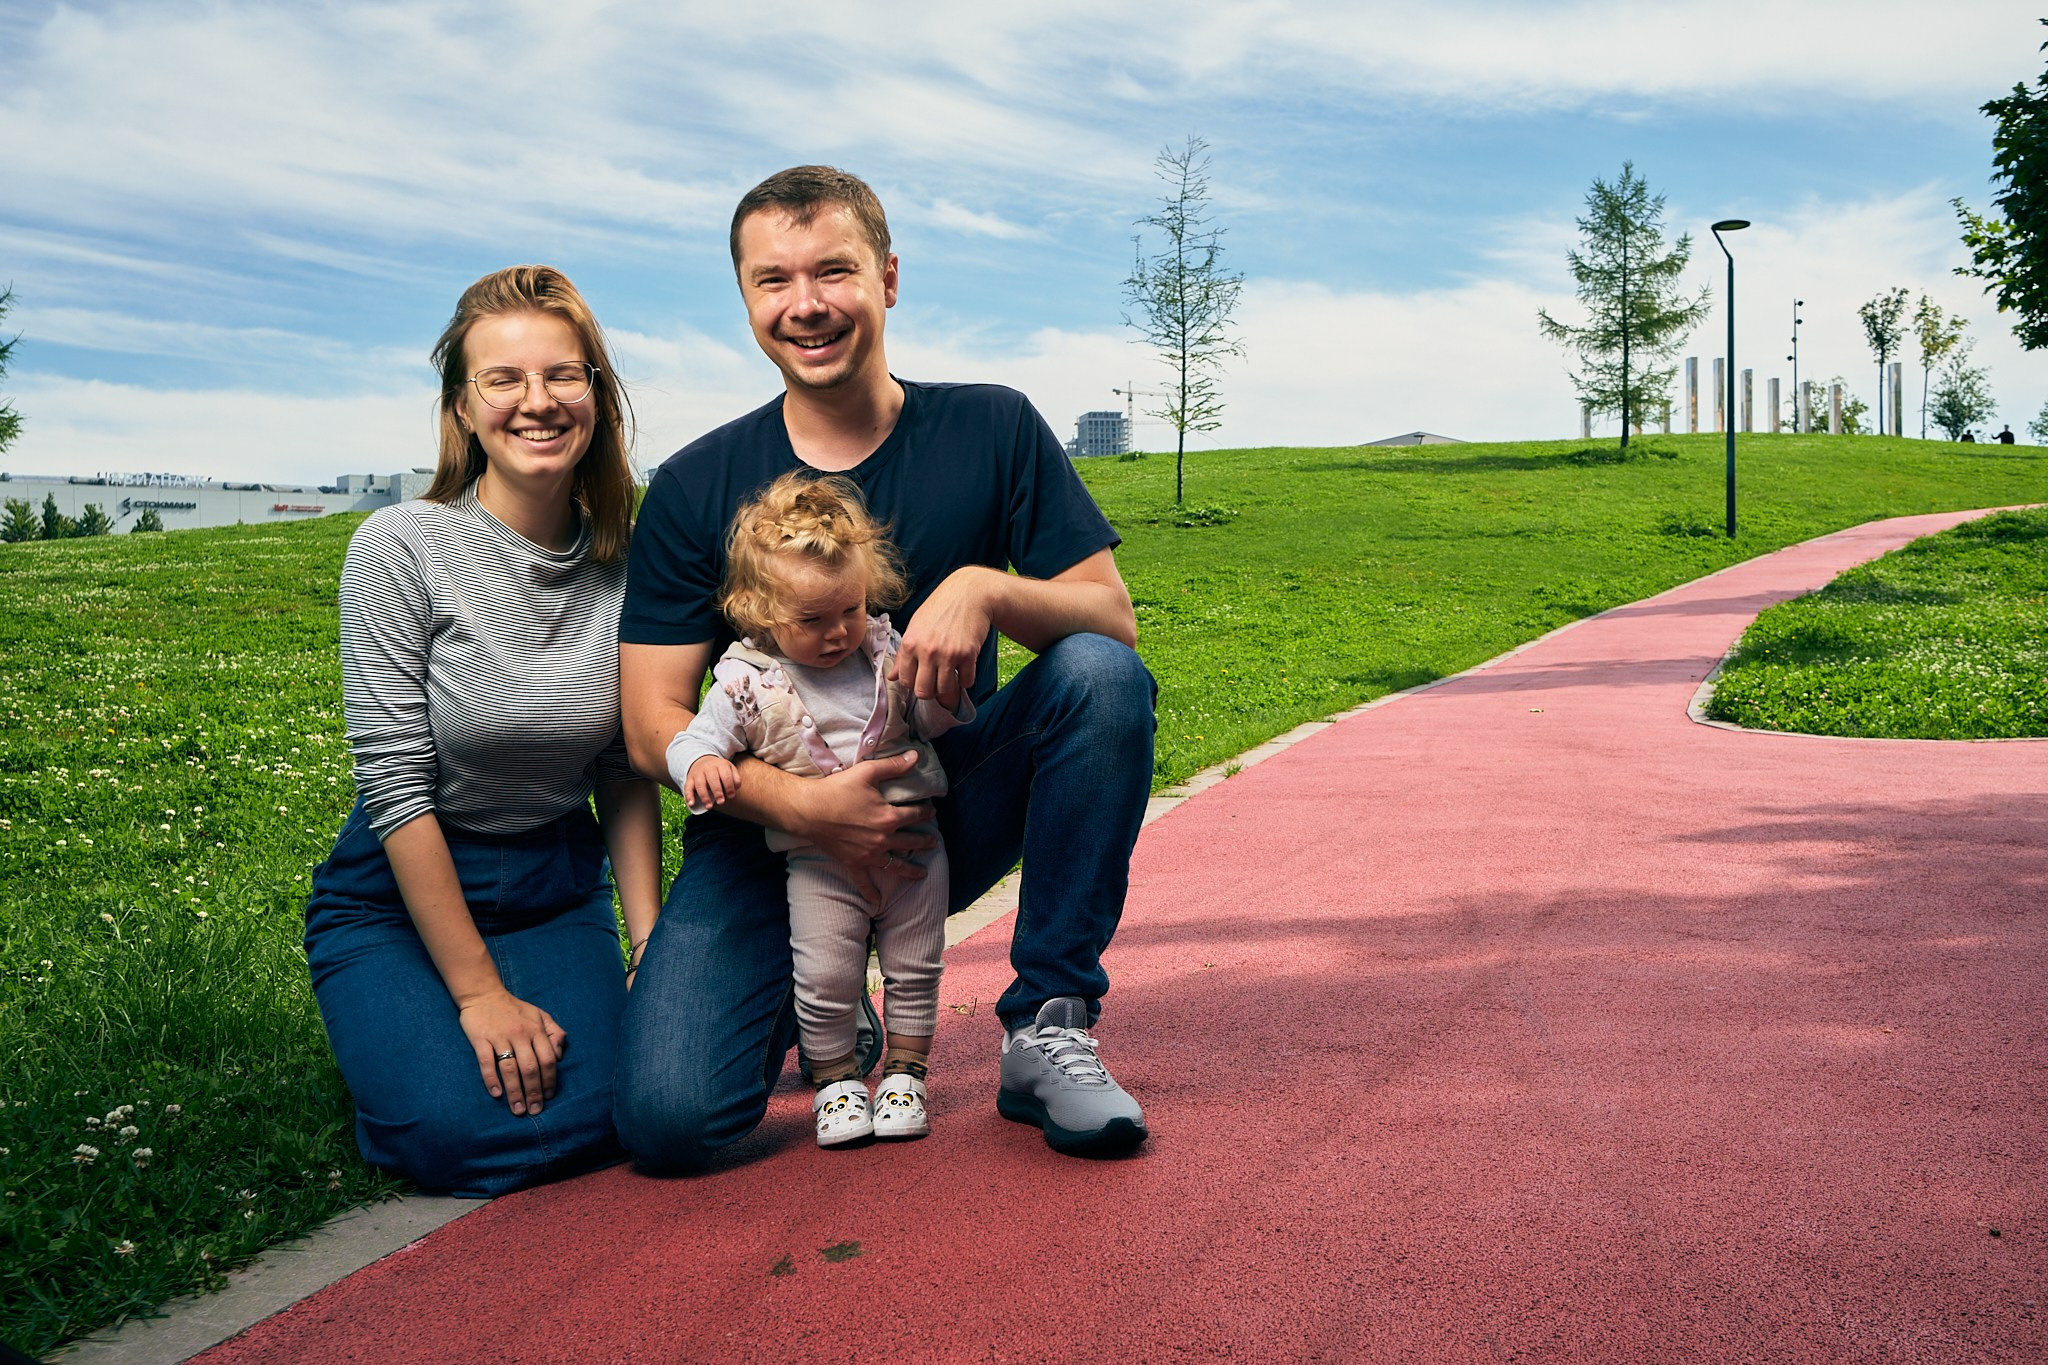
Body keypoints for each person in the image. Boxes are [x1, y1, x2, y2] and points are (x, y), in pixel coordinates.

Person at [616, 165, 1156, 1165]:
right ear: (744, 299)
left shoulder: (993, 426)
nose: (806, 303)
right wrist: (795, 806)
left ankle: (1049, 1028)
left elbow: (1108, 626)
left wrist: (988, 590)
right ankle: (815, 999)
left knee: (1099, 680)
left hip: (937, 801)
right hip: (769, 840)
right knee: (669, 1121)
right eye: (773, 280)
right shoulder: (695, 486)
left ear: (888, 278)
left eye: (834, 270)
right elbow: (650, 716)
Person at [304, 265, 662, 1197]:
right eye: (503, 380)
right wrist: (478, 995)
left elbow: (623, 771)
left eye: (563, 375)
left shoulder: (631, 560)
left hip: (553, 883)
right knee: (456, 1135)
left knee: (644, 1107)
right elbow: (394, 784)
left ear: (597, 394)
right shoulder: (400, 546)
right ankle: (406, 1047)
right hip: (400, 891)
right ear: (463, 407)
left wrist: (648, 948)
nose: (536, 402)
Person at [670, 472, 971, 1146]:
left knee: (916, 964)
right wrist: (704, 763)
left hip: (915, 846)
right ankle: (836, 1081)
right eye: (812, 620)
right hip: (818, 859)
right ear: (759, 608)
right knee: (826, 973)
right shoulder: (747, 682)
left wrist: (941, 694)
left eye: (850, 610)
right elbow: (689, 739)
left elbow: (927, 720)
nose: (837, 633)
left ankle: (905, 1073)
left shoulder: (884, 651)